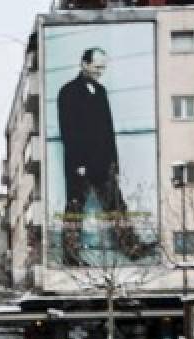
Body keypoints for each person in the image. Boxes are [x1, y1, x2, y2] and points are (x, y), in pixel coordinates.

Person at [56, 47, 144, 265]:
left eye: (102, 68)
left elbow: (108, 131)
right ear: (84, 64)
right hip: (81, 165)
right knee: (75, 209)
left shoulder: (102, 91)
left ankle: (131, 246)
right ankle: (70, 254)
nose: (99, 72)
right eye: (96, 67)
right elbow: (69, 131)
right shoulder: (68, 92)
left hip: (103, 164)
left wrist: (114, 164)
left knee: (116, 205)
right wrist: (79, 163)